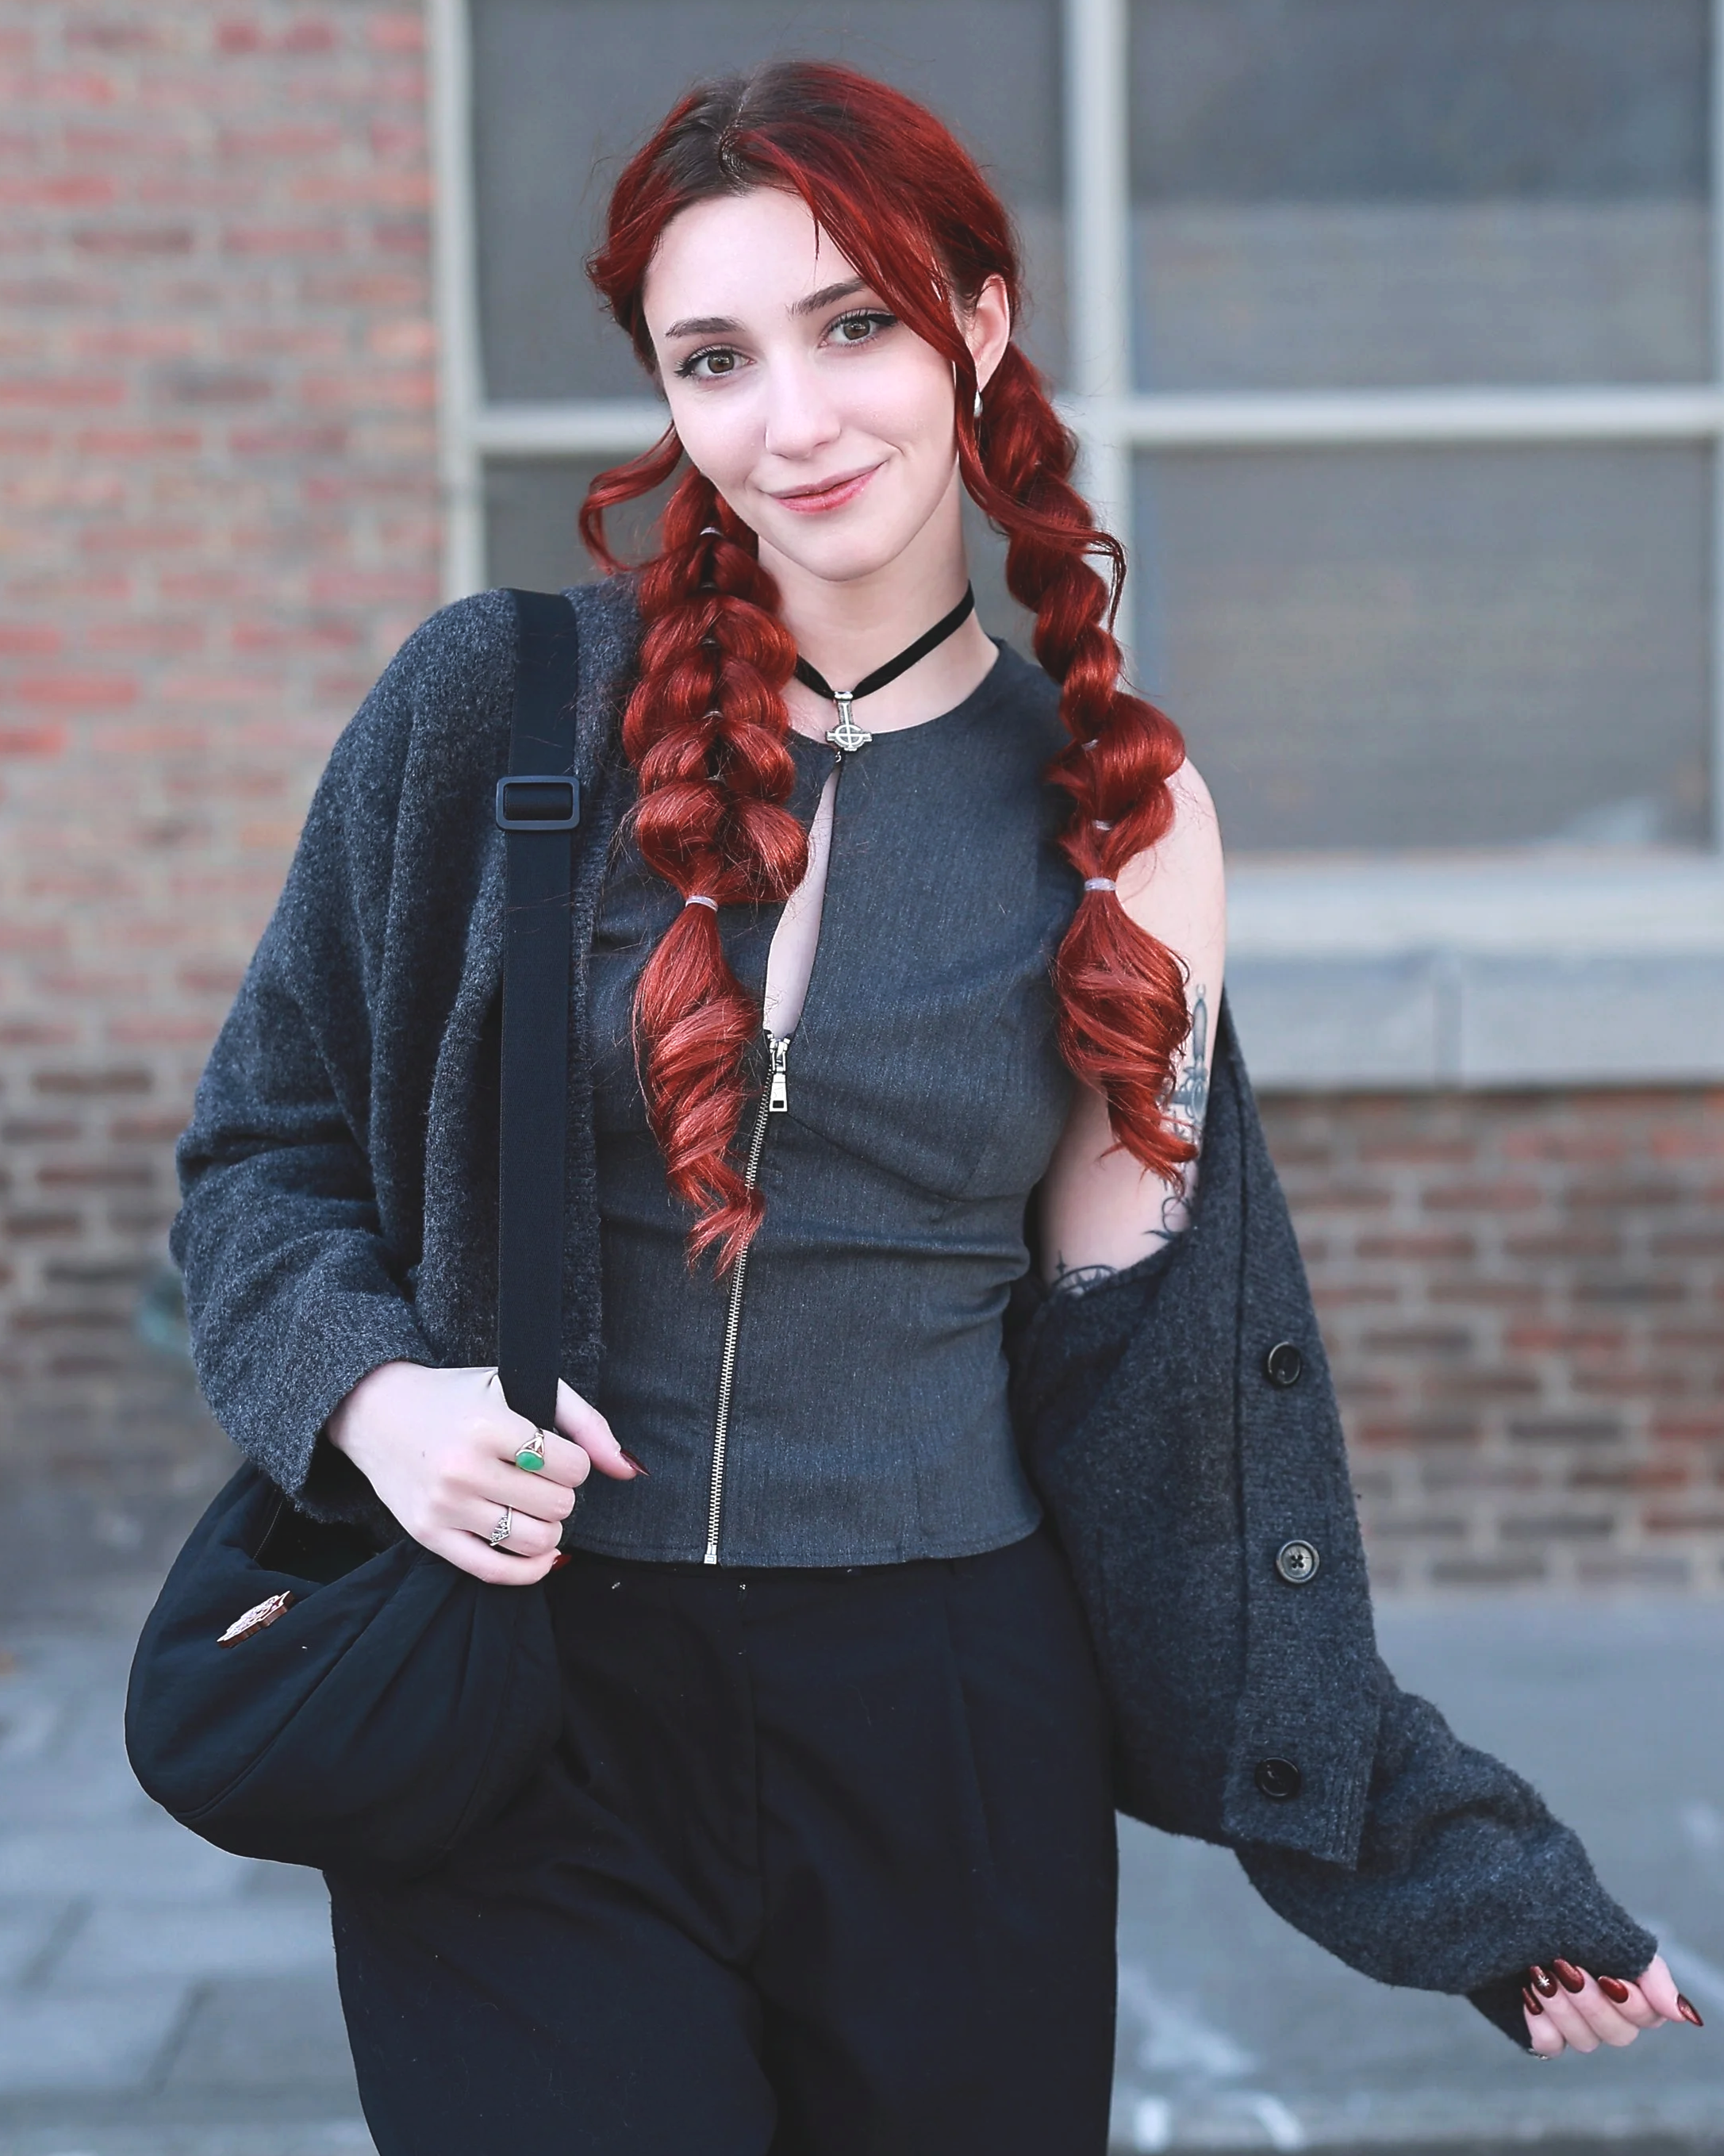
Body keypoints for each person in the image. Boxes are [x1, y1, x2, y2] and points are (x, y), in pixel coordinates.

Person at [170, 60, 1699, 2156]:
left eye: (854, 324)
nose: (792, 418)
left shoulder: (1124, 826)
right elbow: (263, 1153)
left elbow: (1149, 1402)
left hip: (950, 1728)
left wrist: (1455, 1873)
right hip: (523, 1705)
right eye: (716, 358)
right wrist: (379, 1401)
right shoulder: (497, 710)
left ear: (979, 320)